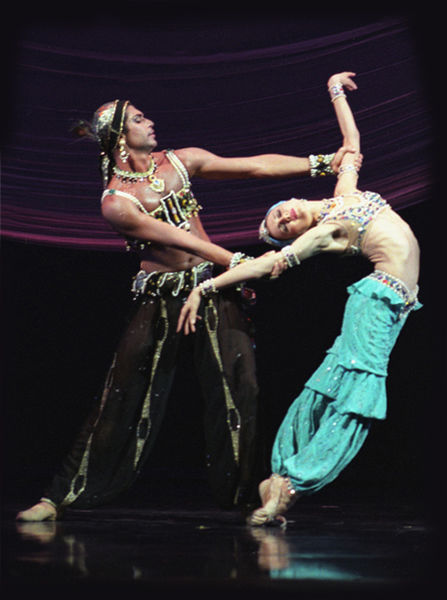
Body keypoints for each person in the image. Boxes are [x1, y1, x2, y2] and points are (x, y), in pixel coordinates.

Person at [16, 98, 358, 522]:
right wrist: (237, 262)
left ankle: (243, 498)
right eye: (140, 119)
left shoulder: (179, 162)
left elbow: (252, 166)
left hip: (210, 286)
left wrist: (322, 163)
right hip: (162, 295)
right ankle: (58, 497)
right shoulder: (116, 201)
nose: (151, 121)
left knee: (241, 386)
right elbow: (185, 242)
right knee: (121, 393)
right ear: (120, 138)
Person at [176, 72, 421, 526]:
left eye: (278, 212)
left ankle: (279, 475)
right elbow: (268, 265)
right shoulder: (325, 234)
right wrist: (206, 286)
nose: (285, 218)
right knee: (358, 399)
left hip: (391, 304)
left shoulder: (343, 197)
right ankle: (290, 484)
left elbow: (350, 142)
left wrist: (333, 89)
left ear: (287, 198)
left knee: (331, 384)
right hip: (377, 301)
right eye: (282, 227)